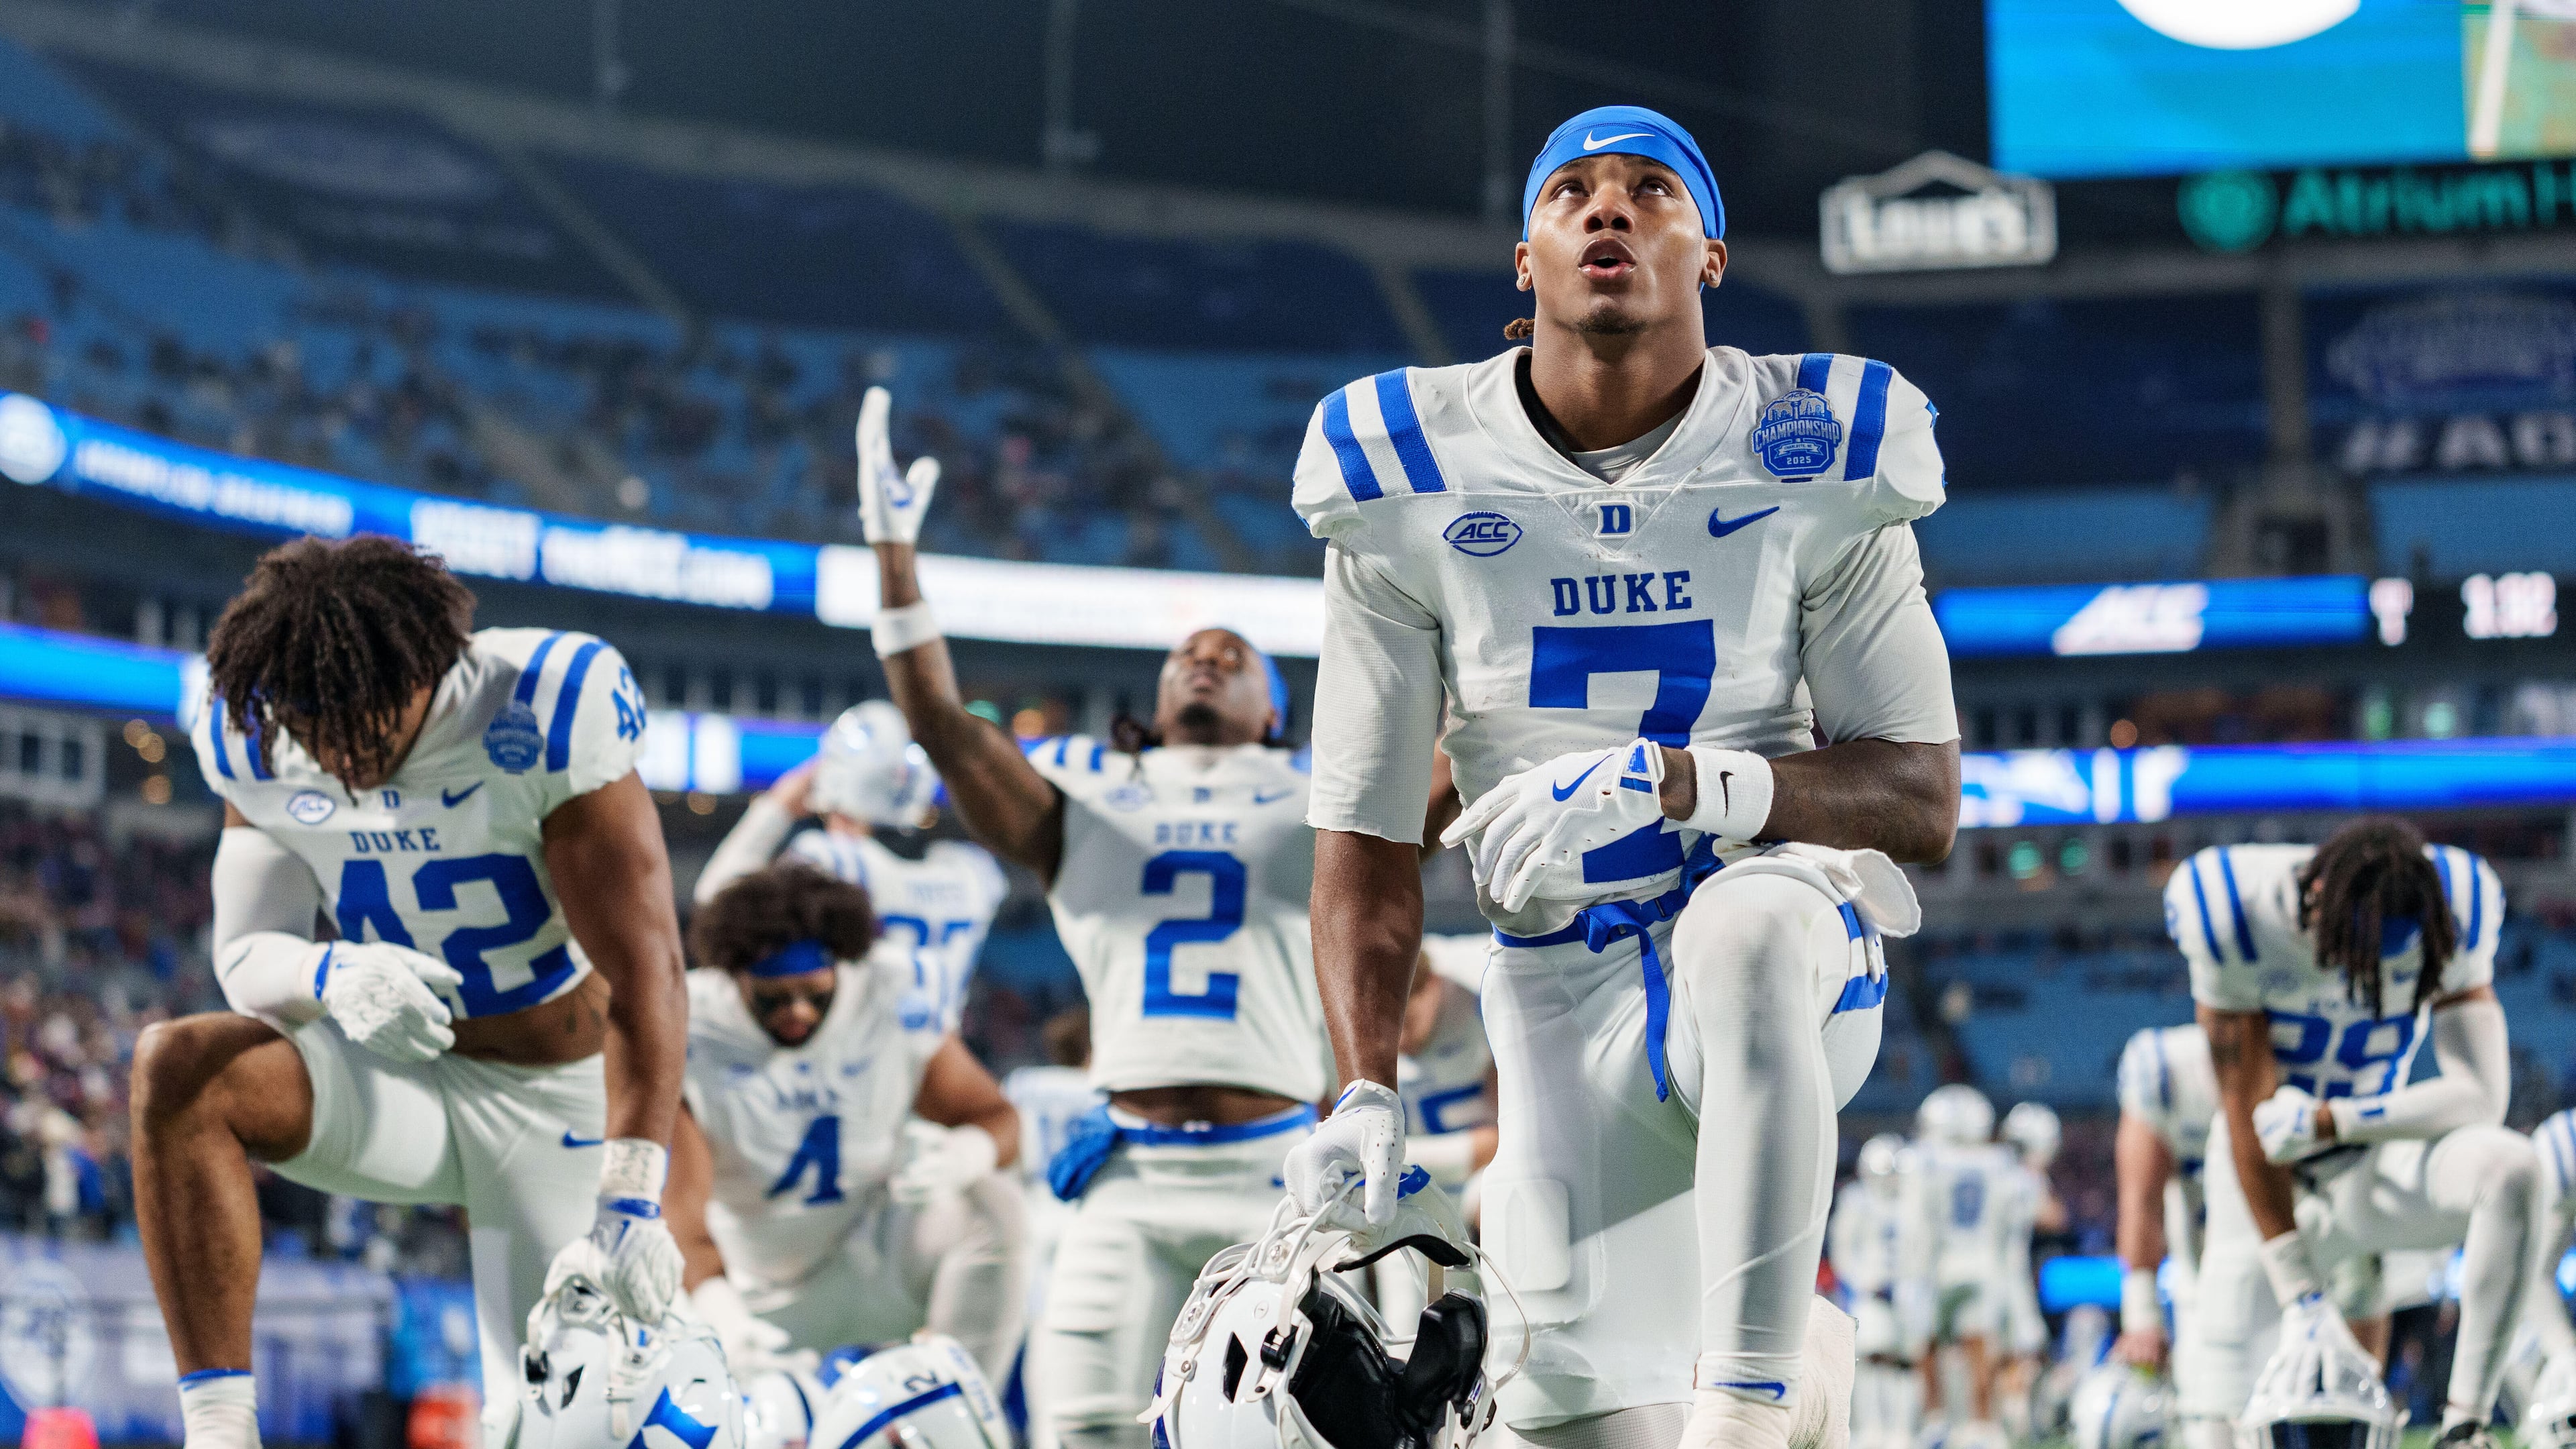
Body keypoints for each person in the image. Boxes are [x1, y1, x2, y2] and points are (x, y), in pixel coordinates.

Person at [1279, 102, 1961, 1449]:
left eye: (1651, 190)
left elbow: (1921, 799)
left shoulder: (1819, 442)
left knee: (1748, 925)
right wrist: (1363, 1086)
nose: (1608, 209)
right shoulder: (1403, 471)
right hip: (1557, 983)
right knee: (1583, 1431)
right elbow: (1360, 837)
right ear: (1525, 260)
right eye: (1571, 193)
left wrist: (1683, 787)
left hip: (1786, 944)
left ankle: (1756, 1407)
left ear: (1709, 253)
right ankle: (1812, 1365)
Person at [851, 388, 1333, 1449]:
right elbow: (942, 725)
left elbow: (1440, 773)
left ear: (1277, 713)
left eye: (1234, 655)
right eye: (1186, 654)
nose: (1204, 658)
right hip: (1127, 1174)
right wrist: (893, 560)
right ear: (1153, 697)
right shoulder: (1090, 791)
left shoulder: (1322, 790)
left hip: (1276, 1172)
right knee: (1084, 1432)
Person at [138, 536, 688, 1449]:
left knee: (557, 1430)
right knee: (180, 1069)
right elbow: (245, 951)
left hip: (555, 1101)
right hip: (402, 1077)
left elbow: (650, 968)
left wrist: (631, 1192)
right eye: (310, 723)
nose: (337, 751)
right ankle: (220, 1431)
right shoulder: (255, 735)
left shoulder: (541, 704)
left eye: (363, 718)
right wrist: (331, 972)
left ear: (431, 669)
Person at [2180, 819, 2534, 1449]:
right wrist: (2300, 1294)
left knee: (2513, 1169)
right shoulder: (2232, 907)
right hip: (2257, 1171)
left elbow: (2482, 1096)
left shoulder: (2458, 901)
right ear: (2316, 901)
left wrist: (2333, 1120)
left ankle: (2465, 1426)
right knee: (2219, 1424)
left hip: (2369, 1161)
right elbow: (2246, 1112)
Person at [665, 861, 1028, 1382]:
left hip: (871, 1254)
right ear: (734, 978)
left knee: (993, 1203)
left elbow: (997, 1118)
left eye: (815, 994)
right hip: (753, 1286)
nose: (799, 1012)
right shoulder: (692, 1023)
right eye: (773, 998)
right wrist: (723, 1316)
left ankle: (959, 1412)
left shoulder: (888, 991)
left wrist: (963, 1156)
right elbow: (679, 1210)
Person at [694, 700, 1008, 1040]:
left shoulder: (835, 860)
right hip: (941, 1060)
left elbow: (717, 903)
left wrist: (777, 806)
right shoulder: (974, 870)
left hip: (860, 1068)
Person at [1003, 1008, 1108, 1449]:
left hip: (1030, 1219)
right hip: (1081, 1223)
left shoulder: (1024, 1084)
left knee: (1028, 1358)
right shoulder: (1106, 1091)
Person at [2109, 1024, 2220, 1434]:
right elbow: (2141, 1198)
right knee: (2210, 1427)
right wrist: (2140, 1311)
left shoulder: (2316, 1054)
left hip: (2304, 1274)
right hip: (2203, 1283)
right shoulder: (2170, 1068)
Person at [1911, 1085, 2012, 1449]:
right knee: (1981, 1343)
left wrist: (1914, 1271)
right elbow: (2005, 1223)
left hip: (1940, 1264)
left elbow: (1920, 1222)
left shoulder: (1926, 1159)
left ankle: (1936, 1419)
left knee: (1927, 1342)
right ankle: (1983, 1424)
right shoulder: (1997, 1162)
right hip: (1982, 1262)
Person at [1830, 1134, 1931, 1449]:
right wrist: (1862, 1280)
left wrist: (1913, 1281)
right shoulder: (1857, 1200)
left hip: (1905, 1292)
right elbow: (1843, 1247)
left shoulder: (1912, 1203)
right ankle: (1871, 1427)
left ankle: (1902, 1429)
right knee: (1869, 1359)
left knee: (1905, 1362)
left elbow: (1923, 1247)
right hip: (1870, 1291)